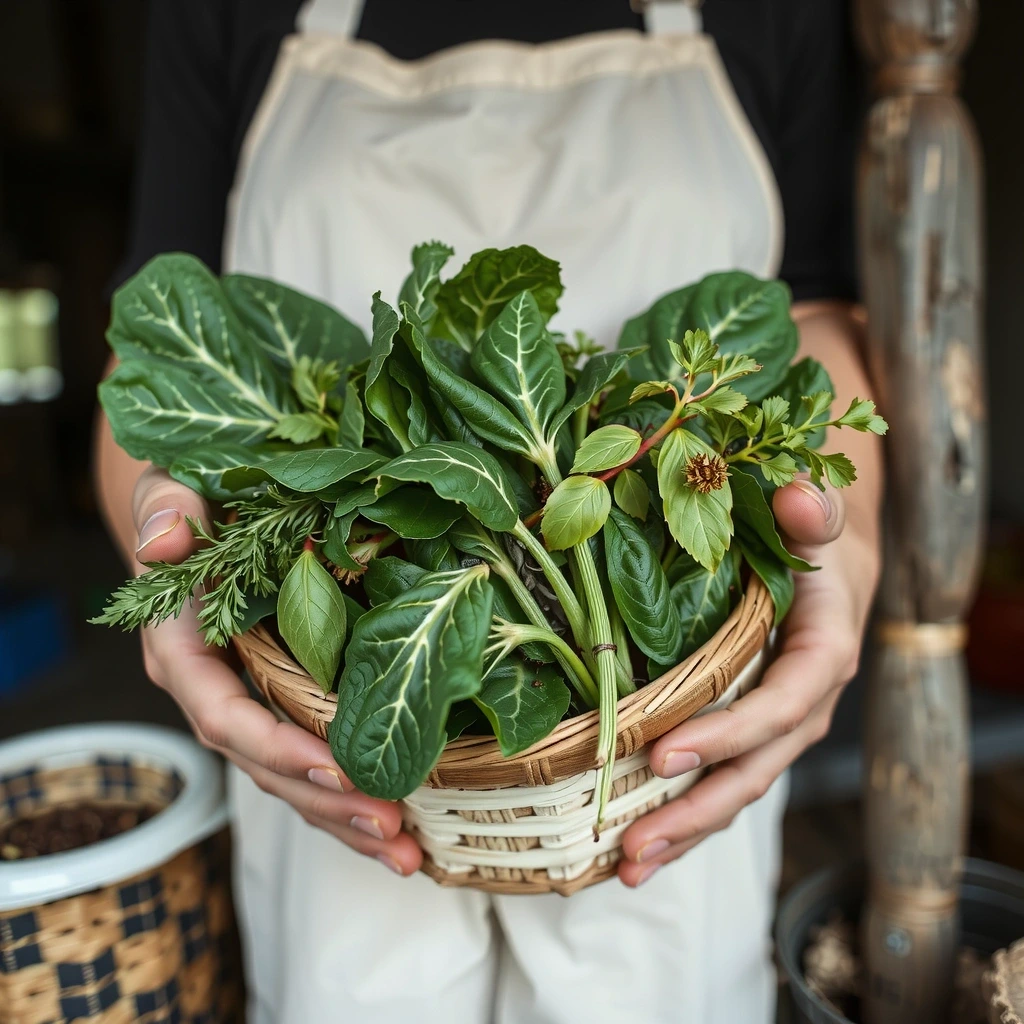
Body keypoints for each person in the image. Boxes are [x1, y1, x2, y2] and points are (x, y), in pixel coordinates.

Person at [95, 2, 882, 1021]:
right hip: (334, 783)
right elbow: (144, 361)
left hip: (665, 755)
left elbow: (810, 308)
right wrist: (167, 550)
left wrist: (845, 553)